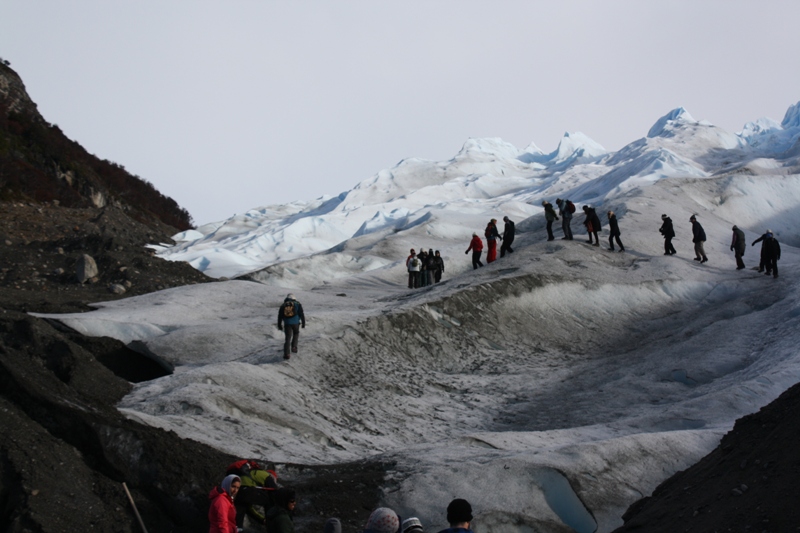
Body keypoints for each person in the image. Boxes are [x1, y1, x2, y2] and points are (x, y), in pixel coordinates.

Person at [234, 462, 278, 529]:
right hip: (248, 490)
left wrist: (262, 520)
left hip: (238, 493)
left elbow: (250, 509)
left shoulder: (253, 474)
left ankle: (238, 529)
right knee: (269, 500)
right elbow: (275, 491)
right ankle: (270, 524)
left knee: (241, 512)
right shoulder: (266, 475)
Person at [277, 293, 305, 359]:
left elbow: (280, 316)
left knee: (288, 338)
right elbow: (301, 313)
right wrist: (303, 322)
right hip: (296, 323)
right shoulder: (297, 304)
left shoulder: (283, 305)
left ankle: (287, 354)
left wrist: (279, 324)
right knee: (296, 333)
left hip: (287, 323)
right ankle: (294, 347)